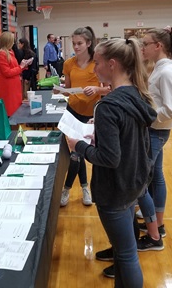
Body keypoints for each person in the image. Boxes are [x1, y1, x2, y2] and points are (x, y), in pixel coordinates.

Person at [98, 26, 172, 278]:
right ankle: (147, 234)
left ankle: (151, 236)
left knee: (138, 185)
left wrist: (142, 118)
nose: (143, 48)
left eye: (146, 43)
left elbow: (171, 109)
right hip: (153, 129)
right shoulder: (160, 68)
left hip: (155, 130)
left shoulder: (167, 70)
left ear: (159, 45)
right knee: (151, 178)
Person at [67, 38, 157, 288]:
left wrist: (79, 146)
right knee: (123, 251)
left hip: (116, 189)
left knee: (127, 255)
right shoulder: (136, 94)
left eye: (97, 63)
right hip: (134, 182)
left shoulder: (108, 106)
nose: (94, 69)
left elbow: (108, 157)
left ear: (113, 65)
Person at [60, 26, 111, 207]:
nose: (76, 47)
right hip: (72, 112)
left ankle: (68, 188)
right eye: (73, 43)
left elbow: (109, 88)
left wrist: (97, 89)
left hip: (91, 115)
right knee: (76, 153)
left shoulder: (97, 63)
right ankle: (83, 188)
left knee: (78, 153)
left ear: (89, 43)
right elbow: (67, 89)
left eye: (79, 43)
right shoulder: (68, 64)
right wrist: (60, 90)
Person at [0, 31, 33, 116]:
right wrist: (21, 67)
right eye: (12, 40)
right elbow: (7, 72)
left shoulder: (10, 52)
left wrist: (24, 65)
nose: (14, 42)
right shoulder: (2, 54)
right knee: (11, 109)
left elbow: (14, 67)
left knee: (16, 108)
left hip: (14, 84)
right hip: (9, 86)